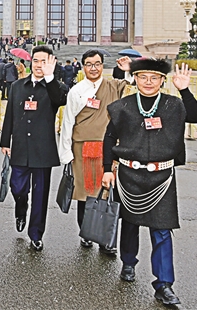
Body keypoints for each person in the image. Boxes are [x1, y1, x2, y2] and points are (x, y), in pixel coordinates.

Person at [101, 59, 197, 307]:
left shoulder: (173, 105)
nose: (148, 82)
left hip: (161, 177)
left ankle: (164, 284)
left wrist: (184, 90)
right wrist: (107, 169)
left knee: (162, 230)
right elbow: (109, 137)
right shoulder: (123, 106)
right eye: (143, 77)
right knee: (130, 223)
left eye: (154, 77)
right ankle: (128, 262)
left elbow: (196, 116)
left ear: (162, 80)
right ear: (135, 79)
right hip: (129, 174)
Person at [59, 50, 133, 254]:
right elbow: (68, 122)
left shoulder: (112, 86)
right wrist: (66, 153)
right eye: (89, 64)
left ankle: (104, 239)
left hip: (108, 148)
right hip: (81, 147)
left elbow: (131, 86)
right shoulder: (76, 91)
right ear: (83, 66)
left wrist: (129, 70)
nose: (94, 68)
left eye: (97, 64)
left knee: (106, 193)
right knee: (85, 194)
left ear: (102, 66)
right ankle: (86, 233)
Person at [0, 46, 68, 251]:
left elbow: (60, 100)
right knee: (17, 187)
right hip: (20, 147)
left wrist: (50, 77)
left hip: (42, 150)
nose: (39, 65)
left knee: (40, 195)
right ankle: (21, 208)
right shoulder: (18, 86)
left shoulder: (56, 87)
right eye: (36, 61)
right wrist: (5, 141)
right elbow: (10, 114)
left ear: (51, 63)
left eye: (44, 61)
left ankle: (36, 234)